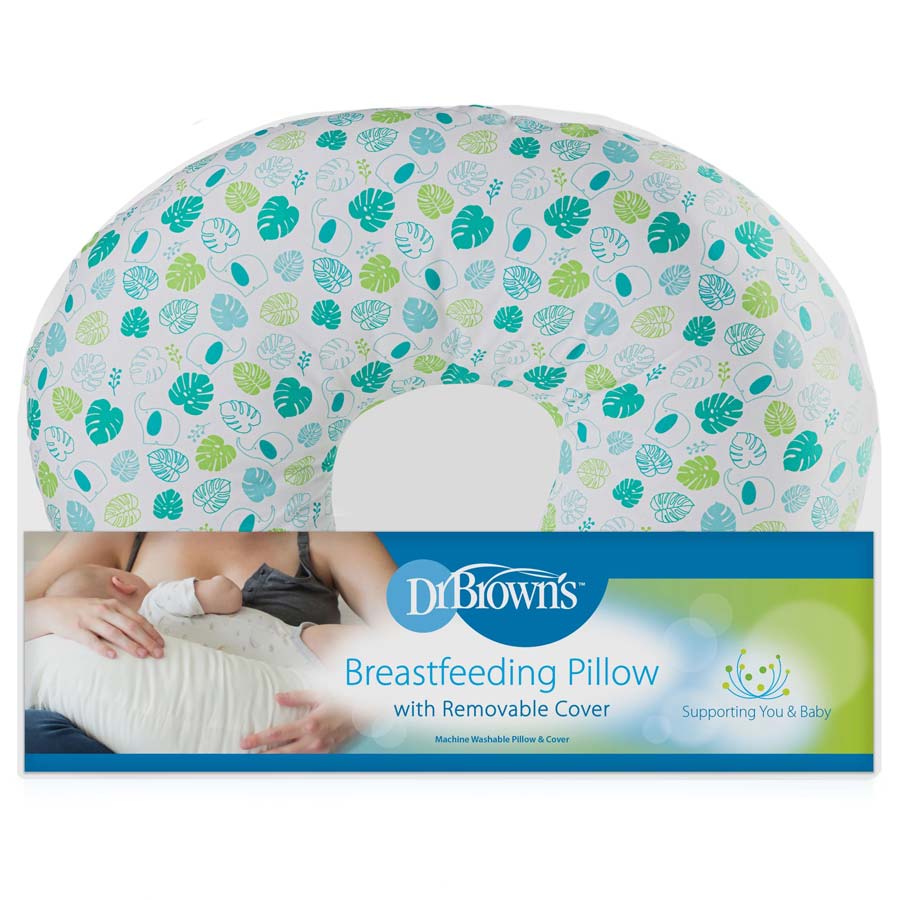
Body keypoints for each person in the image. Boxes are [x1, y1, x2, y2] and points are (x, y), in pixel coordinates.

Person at [24, 531, 396, 753]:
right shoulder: (121, 530)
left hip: (286, 749)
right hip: (127, 755)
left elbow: (424, 650)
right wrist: (48, 612)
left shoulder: (326, 533)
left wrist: (362, 708)